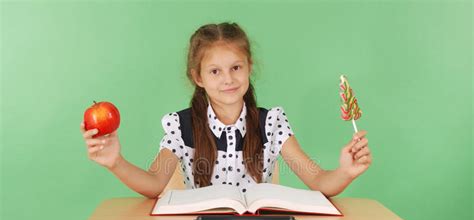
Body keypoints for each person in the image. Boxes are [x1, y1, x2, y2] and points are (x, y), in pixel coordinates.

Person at [80, 22, 372, 198]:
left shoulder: (271, 123)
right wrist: (115, 161)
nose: (228, 79)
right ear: (198, 78)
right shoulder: (181, 126)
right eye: (215, 71)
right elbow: (155, 183)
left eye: (235, 68)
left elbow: (318, 179)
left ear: (249, 68)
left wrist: (346, 172)